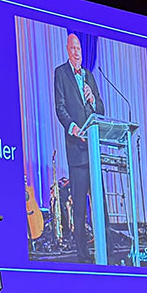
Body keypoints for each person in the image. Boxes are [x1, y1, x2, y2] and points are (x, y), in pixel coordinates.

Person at [53, 33, 105, 263]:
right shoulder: (60, 73)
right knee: (80, 207)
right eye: (73, 48)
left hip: (93, 150)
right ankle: (82, 254)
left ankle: (108, 251)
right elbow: (60, 107)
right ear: (67, 50)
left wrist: (92, 99)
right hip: (76, 150)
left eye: (79, 49)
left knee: (100, 205)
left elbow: (101, 110)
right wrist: (74, 128)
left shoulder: (89, 76)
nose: (77, 52)